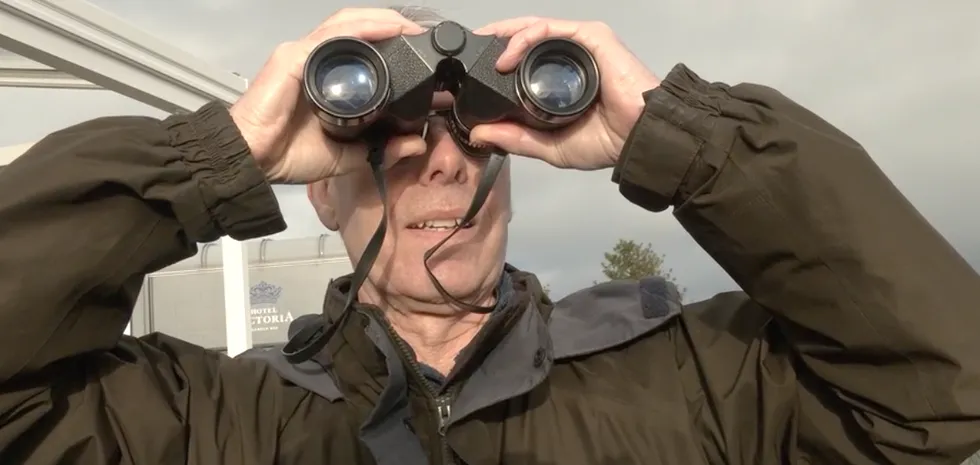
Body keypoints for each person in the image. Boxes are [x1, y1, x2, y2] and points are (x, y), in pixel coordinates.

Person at [0, 5, 978, 465]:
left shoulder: (696, 381)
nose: (443, 163)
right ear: (322, 193)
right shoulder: (212, 421)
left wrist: (683, 139)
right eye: (392, 140)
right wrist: (221, 154)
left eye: (474, 137)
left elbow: (938, 385)